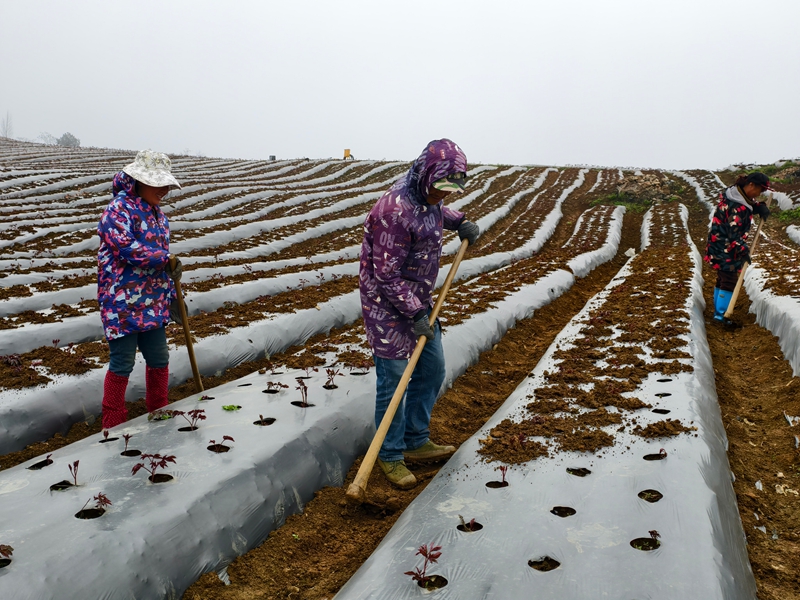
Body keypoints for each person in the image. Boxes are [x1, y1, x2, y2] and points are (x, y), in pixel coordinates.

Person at [358, 139, 480, 489]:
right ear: (427, 175)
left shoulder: (429, 196)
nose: (444, 195)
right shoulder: (393, 212)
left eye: (451, 189)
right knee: (394, 379)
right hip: (386, 306)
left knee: (432, 368)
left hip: (418, 299)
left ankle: (415, 439)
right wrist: (413, 313)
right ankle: (390, 455)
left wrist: (460, 222)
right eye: (441, 187)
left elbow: (436, 211)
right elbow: (386, 275)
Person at [97, 150, 184, 429]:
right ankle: (112, 425)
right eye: (157, 183)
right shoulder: (117, 210)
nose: (164, 190)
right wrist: (163, 260)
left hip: (154, 302)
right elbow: (127, 249)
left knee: (159, 357)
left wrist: (171, 295)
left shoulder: (161, 217)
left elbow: (162, 260)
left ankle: (159, 413)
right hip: (121, 302)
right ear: (137, 180)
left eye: (166, 184)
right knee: (122, 361)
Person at [704, 171, 771, 325]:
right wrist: (743, 251)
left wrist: (757, 207)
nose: (760, 194)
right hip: (725, 247)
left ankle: (718, 313)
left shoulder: (735, 194)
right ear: (751, 185)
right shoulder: (737, 205)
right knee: (729, 279)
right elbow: (733, 232)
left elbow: (745, 205)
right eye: (759, 190)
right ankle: (721, 316)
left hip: (720, 244)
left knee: (723, 277)